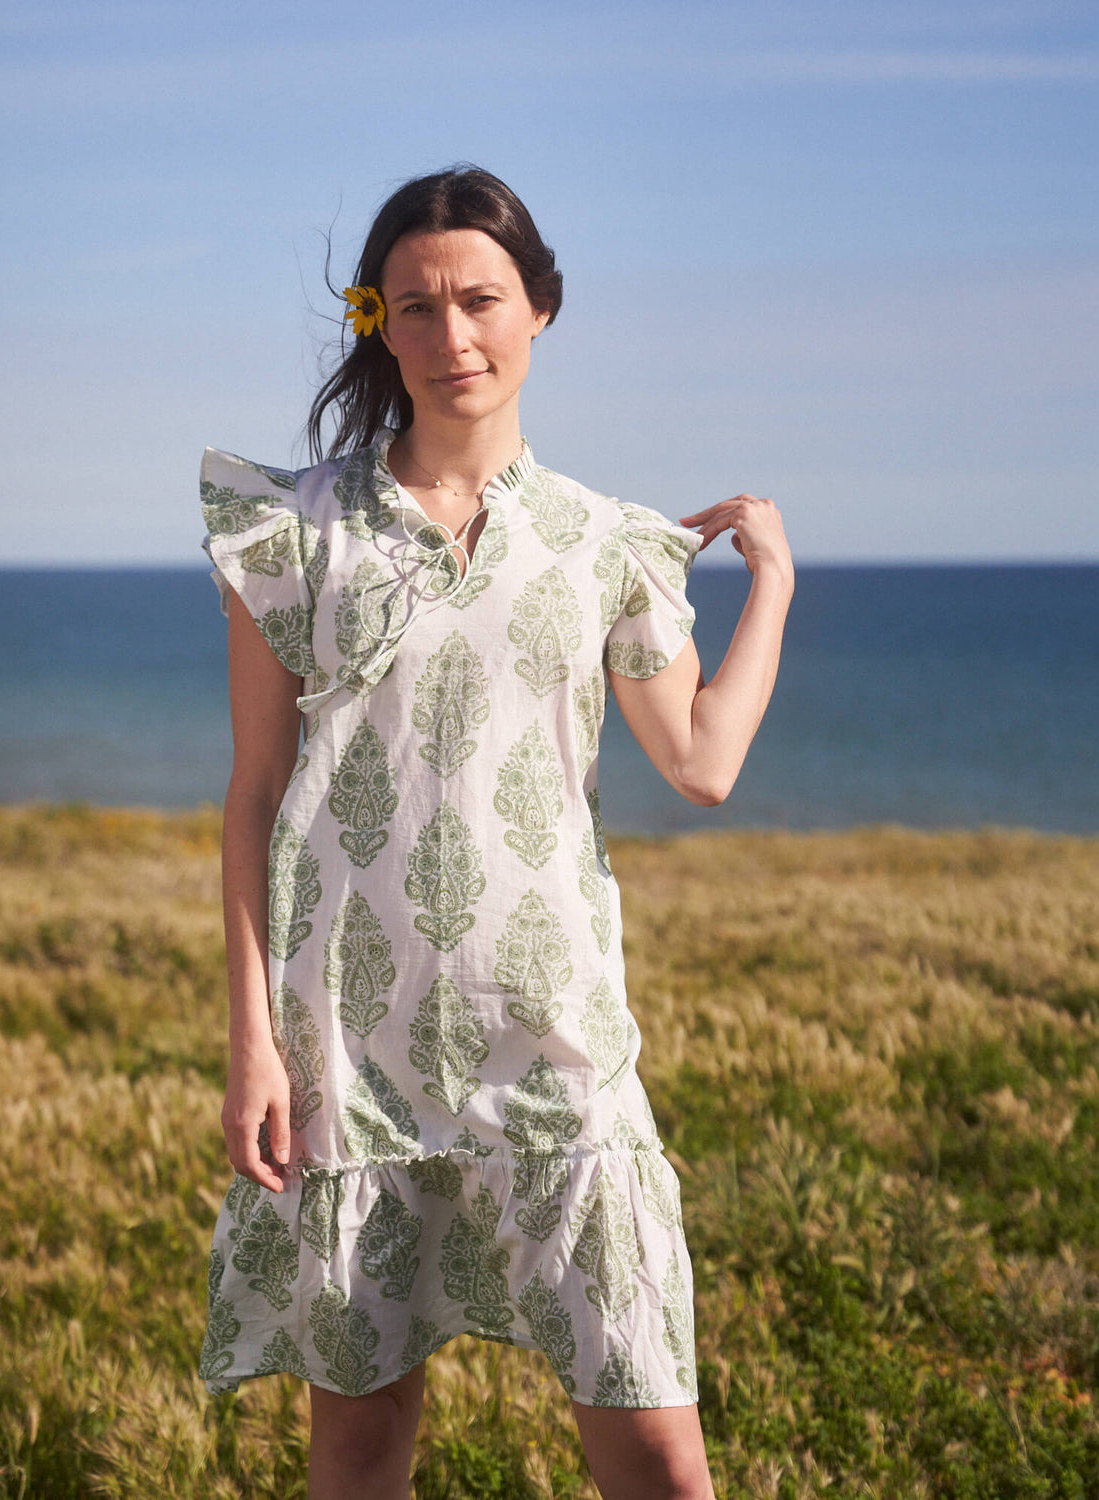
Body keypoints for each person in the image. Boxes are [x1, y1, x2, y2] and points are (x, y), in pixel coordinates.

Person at [198, 166, 793, 1500]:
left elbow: (701, 761)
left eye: (480, 300)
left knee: (655, 1450)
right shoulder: (293, 537)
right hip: (349, 1048)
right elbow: (252, 794)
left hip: (559, 1043)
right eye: (415, 307)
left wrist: (774, 587)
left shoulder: (604, 546)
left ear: (541, 312)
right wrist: (253, 1047)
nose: (452, 337)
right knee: (360, 1445)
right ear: (379, 325)